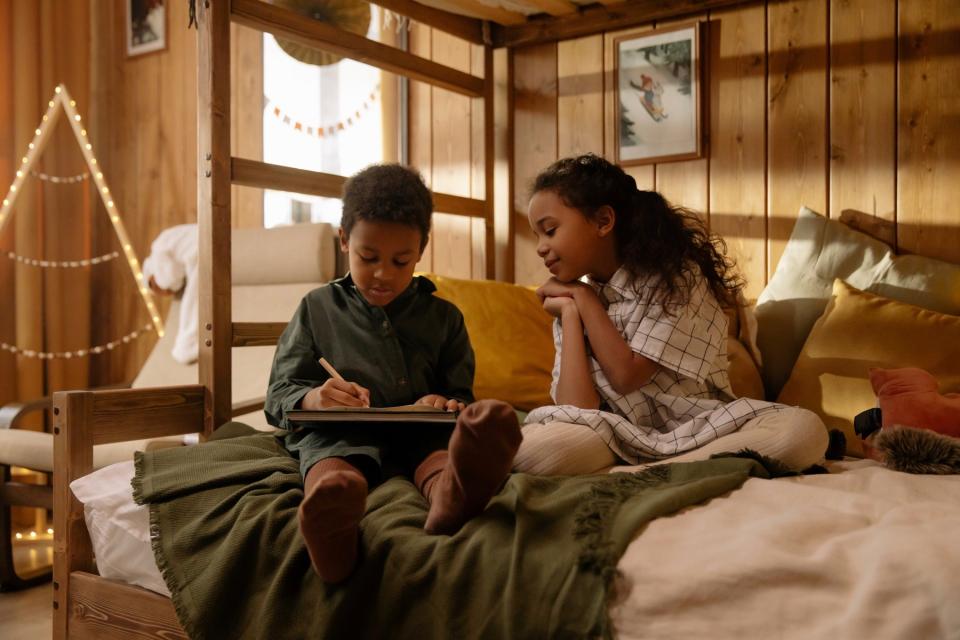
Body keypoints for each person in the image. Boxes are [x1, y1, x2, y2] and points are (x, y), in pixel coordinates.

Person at [265, 164, 520, 584]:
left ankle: (449, 496)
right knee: (330, 458)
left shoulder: (444, 318)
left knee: (440, 446)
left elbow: (459, 393)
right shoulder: (317, 308)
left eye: (400, 261)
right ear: (345, 240)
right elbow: (279, 394)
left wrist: (442, 402)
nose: (383, 274)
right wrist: (315, 398)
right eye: (368, 258)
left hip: (419, 432)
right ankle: (333, 523)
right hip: (342, 434)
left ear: (421, 249)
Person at [513, 154, 827, 476]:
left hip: (699, 430)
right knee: (531, 453)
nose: (540, 247)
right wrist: (569, 312)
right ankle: (677, 471)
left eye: (549, 231)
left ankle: (654, 472)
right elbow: (576, 411)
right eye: (537, 235)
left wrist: (585, 299)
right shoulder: (568, 301)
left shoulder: (675, 278)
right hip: (612, 434)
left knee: (803, 430)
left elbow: (627, 376)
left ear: (603, 221)